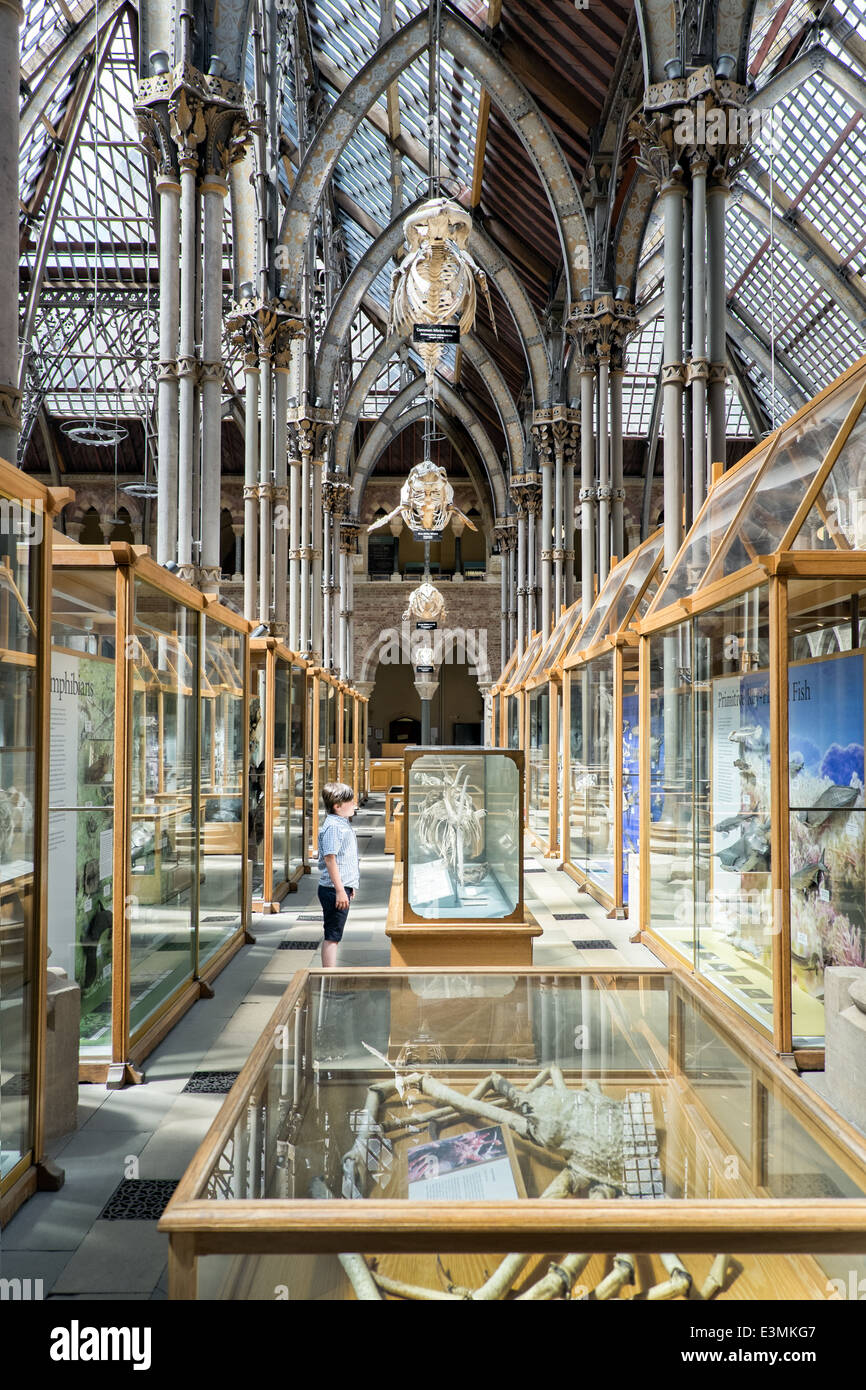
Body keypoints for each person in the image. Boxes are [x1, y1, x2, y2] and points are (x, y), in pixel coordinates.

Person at [317, 781, 359, 968]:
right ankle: (329, 979)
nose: (354, 805)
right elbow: (330, 859)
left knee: (335, 934)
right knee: (332, 936)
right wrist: (340, 890)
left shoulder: (340, 823)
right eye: (350, 802)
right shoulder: (334, 827)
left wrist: (349, 886)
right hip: (333, 889)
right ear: (337, 806)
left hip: (340, 887)